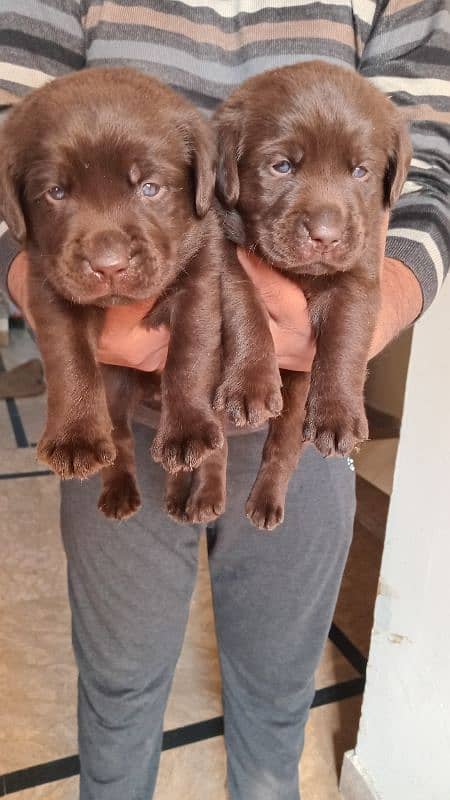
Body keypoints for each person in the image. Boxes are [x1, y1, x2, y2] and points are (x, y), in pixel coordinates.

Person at [0, 3, 448, 799]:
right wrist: (47, 284)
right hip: (124, 399)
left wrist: (363, 317)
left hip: (302, 419)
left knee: (279, 684)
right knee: (120, 675)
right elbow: (13, 139)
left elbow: (430, 162)